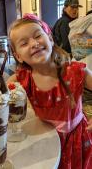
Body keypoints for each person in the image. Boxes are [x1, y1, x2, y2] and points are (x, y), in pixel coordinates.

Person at [7, 13, 92, 168]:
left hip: (76, 141)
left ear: (51, 39)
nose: (33, 43)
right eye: (24, 43)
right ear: (18, 56)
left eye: (38, 36)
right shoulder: (20, 79)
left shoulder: (75, 72)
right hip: (44, 140)